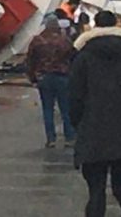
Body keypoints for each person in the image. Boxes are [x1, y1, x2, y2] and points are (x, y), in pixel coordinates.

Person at [70, 11, 121, 217]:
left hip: (93, 129)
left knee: (96, 189)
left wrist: (78, 123)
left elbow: (75, 95)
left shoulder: (84, 56)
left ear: (95, 25)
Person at [26, 15, 76, 148]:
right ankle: (69, 137)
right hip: (62, 77)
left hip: (44, 77)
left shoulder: (38, 40)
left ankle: (51, 138)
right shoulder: (65, 40)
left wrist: (33, 78)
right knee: (66, 109)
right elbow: (73, 58)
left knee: (48, 109)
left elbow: (30, 61)